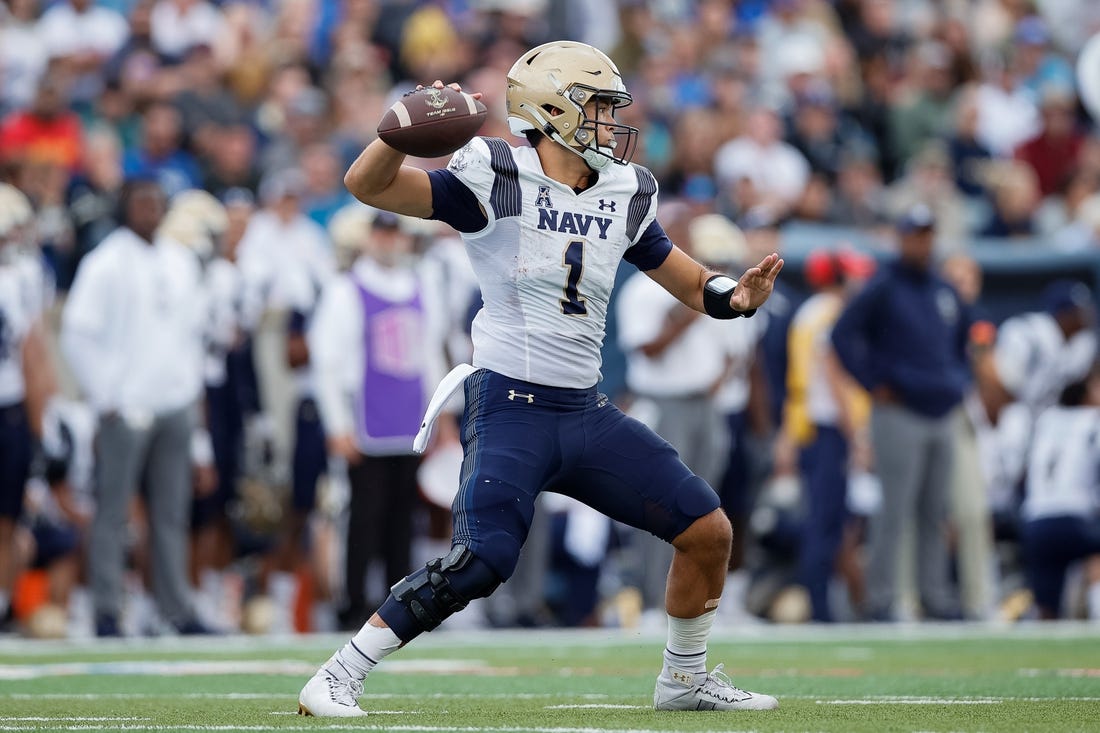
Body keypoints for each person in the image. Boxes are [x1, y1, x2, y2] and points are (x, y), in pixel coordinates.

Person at [297, 40, 783, 716]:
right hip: (510, 402)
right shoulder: (496, 175)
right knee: (482, 559)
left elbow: (693, 281)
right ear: (552, 108)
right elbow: (369, 186)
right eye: (600, 106)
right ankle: (338, 672)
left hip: (585, 411)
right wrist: (393, 136)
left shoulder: (624, 190)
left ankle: (684, 677)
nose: (612, 121)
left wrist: (738, 298)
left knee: (708, 529)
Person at [60, 177, 212, 637]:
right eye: (142, 202)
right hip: (124, 407)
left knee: (171, 514)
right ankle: (107, 609)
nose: (150, 210)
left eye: (157, 202)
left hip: (174, 403)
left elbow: (192, 339)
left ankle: (175, 608)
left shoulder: (181, 260)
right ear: (125, 207)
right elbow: (77, 334)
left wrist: (192, 401)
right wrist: (106, 396)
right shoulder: (105, 262)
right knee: (113, 510)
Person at [831, 203, 970, 622]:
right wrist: (874, 383)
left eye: (927, 234)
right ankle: (881, 599)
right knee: (895, 508)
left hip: (942, 412)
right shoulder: (883, 285)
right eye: (913, 234)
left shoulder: (944, 289)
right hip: (899, 412)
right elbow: (841, 335)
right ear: (901, 238)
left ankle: (934, 596)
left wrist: (958, 381)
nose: (921, 242)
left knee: (935, 511)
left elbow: (963, 340)